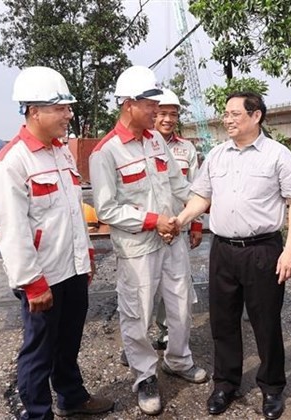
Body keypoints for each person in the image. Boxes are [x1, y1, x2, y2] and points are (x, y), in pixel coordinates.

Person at [0, 66, 114, 419]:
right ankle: (37, 413)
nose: (68, 115)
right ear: (33, 111)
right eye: (61, 108)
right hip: (42, 277)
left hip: (71, 268)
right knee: (38, 351)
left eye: (67, 108)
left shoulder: (60, 152)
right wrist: (32, 282)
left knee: (68, 343)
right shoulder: (11, 163)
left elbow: (72, 211)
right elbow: (11, 231)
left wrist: (85, 256)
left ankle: (71, 397)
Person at [176, 91, 291, 420]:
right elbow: (201, 197)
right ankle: (226, 384)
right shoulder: (217, 155)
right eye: (226, 113)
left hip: (263, 250)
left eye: (234, 113)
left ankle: (272, 387)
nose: (227, 119)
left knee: (265, 322)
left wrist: (290, 249)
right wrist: (180, 220)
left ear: (256, 115)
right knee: (223, 321)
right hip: (222, 250)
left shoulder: (278, 155)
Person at [89, 65, 207, 416]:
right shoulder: (105, 153)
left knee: (182, 304)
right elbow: (107, 209)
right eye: (150, 104)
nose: (157, 111)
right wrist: (154, 220)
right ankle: (144, 376)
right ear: (128, 105)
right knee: (138, 313)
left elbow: (177, 184)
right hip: (139, 246)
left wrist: (193, 211)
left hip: (172, 239)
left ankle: (178, 359)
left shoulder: (156, 141)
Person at [153, 88, 203, 349]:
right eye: (162, 113)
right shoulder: (139, 147)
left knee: (177, 283)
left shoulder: (186, 149)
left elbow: (196, 189)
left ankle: (167, 332)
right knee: (143, 288)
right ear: (152, 113)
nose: (167, 119)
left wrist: (195, 224)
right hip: (147, 228)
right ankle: (135, 340)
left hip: (178, 227)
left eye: (173, 114)